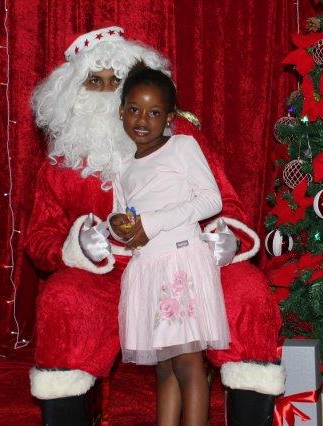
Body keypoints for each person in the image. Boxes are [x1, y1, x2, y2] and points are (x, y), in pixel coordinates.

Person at [26, 26, 283, 425]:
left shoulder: (182, 138)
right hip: (109, 274)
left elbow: (221, 200)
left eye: (116, 80)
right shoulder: (62, 162)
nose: (107, 91)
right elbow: (40, 236)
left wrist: (226, 236)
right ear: (73, 92)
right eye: (95, 81)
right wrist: (79, 244)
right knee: (64, 301)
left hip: (184, 259)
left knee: (247, 292)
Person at [111, 66, 230, 425]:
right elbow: (124, 215)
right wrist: (118, 225)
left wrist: (152, 222)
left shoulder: (181, 147)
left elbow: (211, 200)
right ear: (121, 111)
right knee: (164, 368)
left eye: (154, 112)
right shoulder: (123, 167)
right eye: (134, 109)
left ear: (168, 117)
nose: (142, 120)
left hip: (180, 263)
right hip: (148, 270)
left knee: (188, 364)